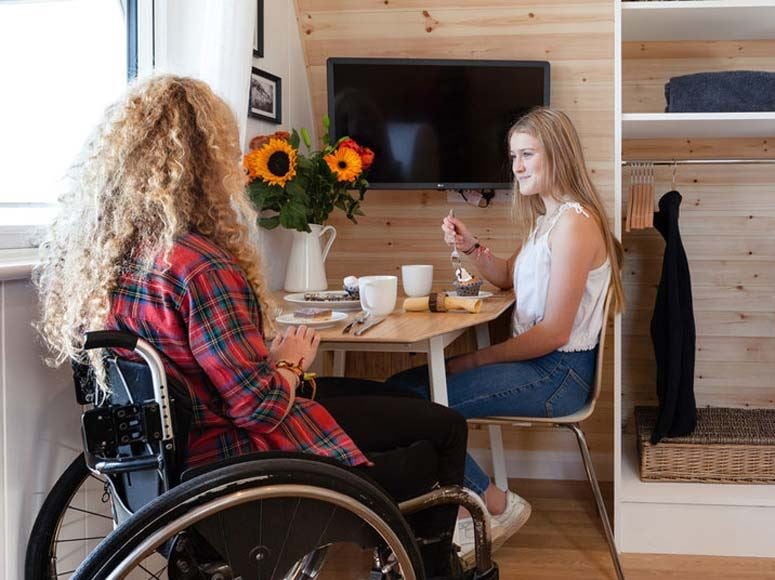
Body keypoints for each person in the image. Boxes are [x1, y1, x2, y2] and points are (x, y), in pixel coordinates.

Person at [34, 75, 468, 578]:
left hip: (170, 456)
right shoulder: (200, 266)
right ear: (205, 164)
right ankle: (434, 563)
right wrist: (287, 361)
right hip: (236, 453)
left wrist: (266, 356)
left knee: (406, 402)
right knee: (444, 427)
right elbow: (258, 408)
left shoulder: (112, 261)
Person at [383, 107, 625, 558]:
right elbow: (508, 275)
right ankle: (457, 507)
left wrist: (475, 359)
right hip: (539, 364)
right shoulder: (547, 219)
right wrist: (471, 246)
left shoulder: (576, 222)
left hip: (559, 373)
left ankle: (491, 504)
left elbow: (554, 332)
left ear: (557, 154)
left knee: (416, 402)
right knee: (400, 390)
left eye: (527, 154)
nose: (516, 167)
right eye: (513, 156)